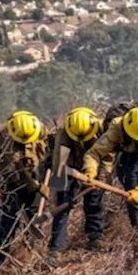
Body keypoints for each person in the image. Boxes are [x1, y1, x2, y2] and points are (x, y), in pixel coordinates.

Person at [0, 110, 49, 267]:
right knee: (8, 220)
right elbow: (18, 171)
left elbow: (49, 149)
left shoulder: (38, 129)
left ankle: (33, 253)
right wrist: (36, 187)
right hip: (11, 183)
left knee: (34, 218)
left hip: (34, 174)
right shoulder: (3, 142)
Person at [47, 107, 106, 252]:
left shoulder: (101, 130)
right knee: (63, 206)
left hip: (95, 167)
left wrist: (100, 177)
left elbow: (107, 157)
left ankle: (95, 239)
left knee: (94, 202)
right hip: (70, 168)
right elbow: (58, 163)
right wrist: (61, 191)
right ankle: (56, 247)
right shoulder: (64, 135)